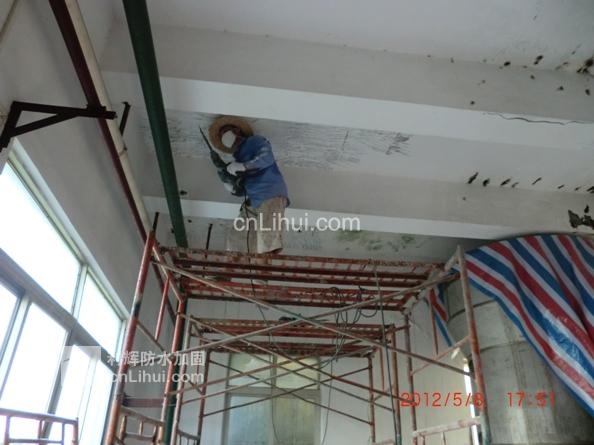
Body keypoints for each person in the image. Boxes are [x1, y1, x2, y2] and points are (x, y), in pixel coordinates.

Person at [208, 116, 289, 254]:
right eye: (222, 134)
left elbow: (266, 158)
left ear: (237, 130)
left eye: (226, 131)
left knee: (267, 237)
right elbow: (242, 188)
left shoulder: (255, 141)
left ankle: (265, 264)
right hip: (253, 200)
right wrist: (231, 184)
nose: (224, 135)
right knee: (237, 237)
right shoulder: (237, 157)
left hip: (270, 193)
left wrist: (244, 166)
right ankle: (235, 264)